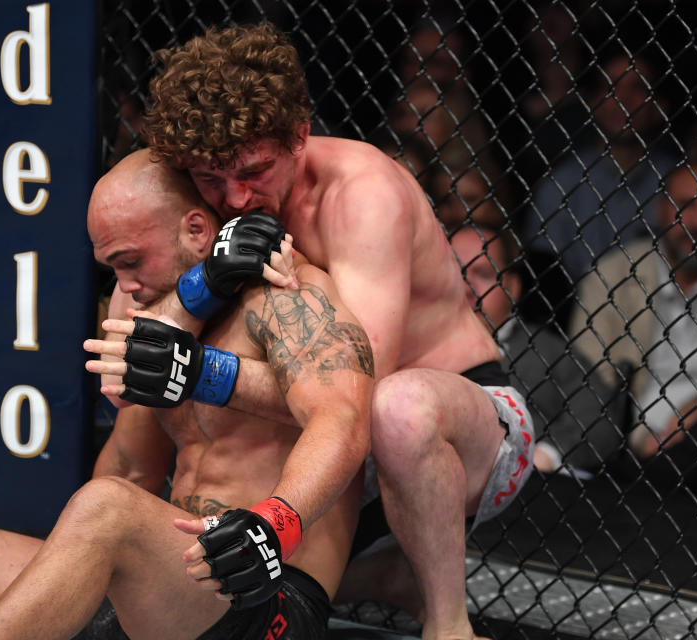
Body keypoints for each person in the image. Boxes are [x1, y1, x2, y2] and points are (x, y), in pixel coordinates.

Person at [141, 23, 536, 638]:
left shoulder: (361, 194)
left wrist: (197, 371)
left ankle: (449, 625)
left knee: (394, 407)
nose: (236, 197)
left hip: (461, 422)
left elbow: (354, 386)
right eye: (212, 180)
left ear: (300, 135)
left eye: (253, 170)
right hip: (333, 446)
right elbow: (134, 316)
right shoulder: (206, 202)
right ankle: (378, 581)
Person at [0, 149, 374, 639]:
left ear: (197, 230)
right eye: (111, 269)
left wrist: (274, 524)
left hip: (260, 590)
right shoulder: (159, 313)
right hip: (170, 590)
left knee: (107, 507)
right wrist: (64, 581)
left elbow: (343, 419)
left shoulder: (285, 293)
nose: (126, 285)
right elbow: (130, 466)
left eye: (132, 261)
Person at [569, 162, 697, 504]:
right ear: (662, 209)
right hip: (630, 444)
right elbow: (588, 377)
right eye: (686, 206)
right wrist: (641, 437)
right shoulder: (613, 275)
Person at [449, 223, 621, 477]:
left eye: (482, 274)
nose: (466, 288)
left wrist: (547, 455)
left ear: (512, 287)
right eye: (454, 273)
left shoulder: (547, 351)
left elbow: (601, 417)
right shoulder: (413, 344)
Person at [523, 51, 678, 327]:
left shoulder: (679, 182)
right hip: (574, 321)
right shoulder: (560, 183)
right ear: (594, 102)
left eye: (637, 87)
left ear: (659, 105)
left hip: (666, 319)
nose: (623, 99)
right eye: (611, 88)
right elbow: (544, 278)